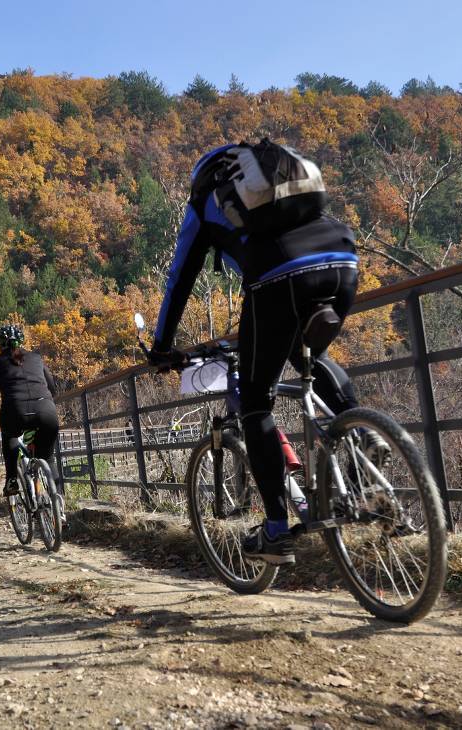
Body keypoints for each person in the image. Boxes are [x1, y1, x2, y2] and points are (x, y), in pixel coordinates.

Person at [148, 141, 386, 565]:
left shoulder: (206, 200)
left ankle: (277, 529)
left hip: (280, 277)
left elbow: (180, 278)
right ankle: (363, 432)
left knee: (256, 403)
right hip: (341, 258)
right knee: (306, 354)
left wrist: (162, 347)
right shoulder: (284, 185)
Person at [0, 324, 59, 500]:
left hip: (15, 411)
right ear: (22, 341)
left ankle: (11, 480)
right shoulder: (36, 357)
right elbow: (52, 387)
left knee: (10, 436)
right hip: (46, 410)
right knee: (48, 458)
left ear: (0, 344)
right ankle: (60, 505)